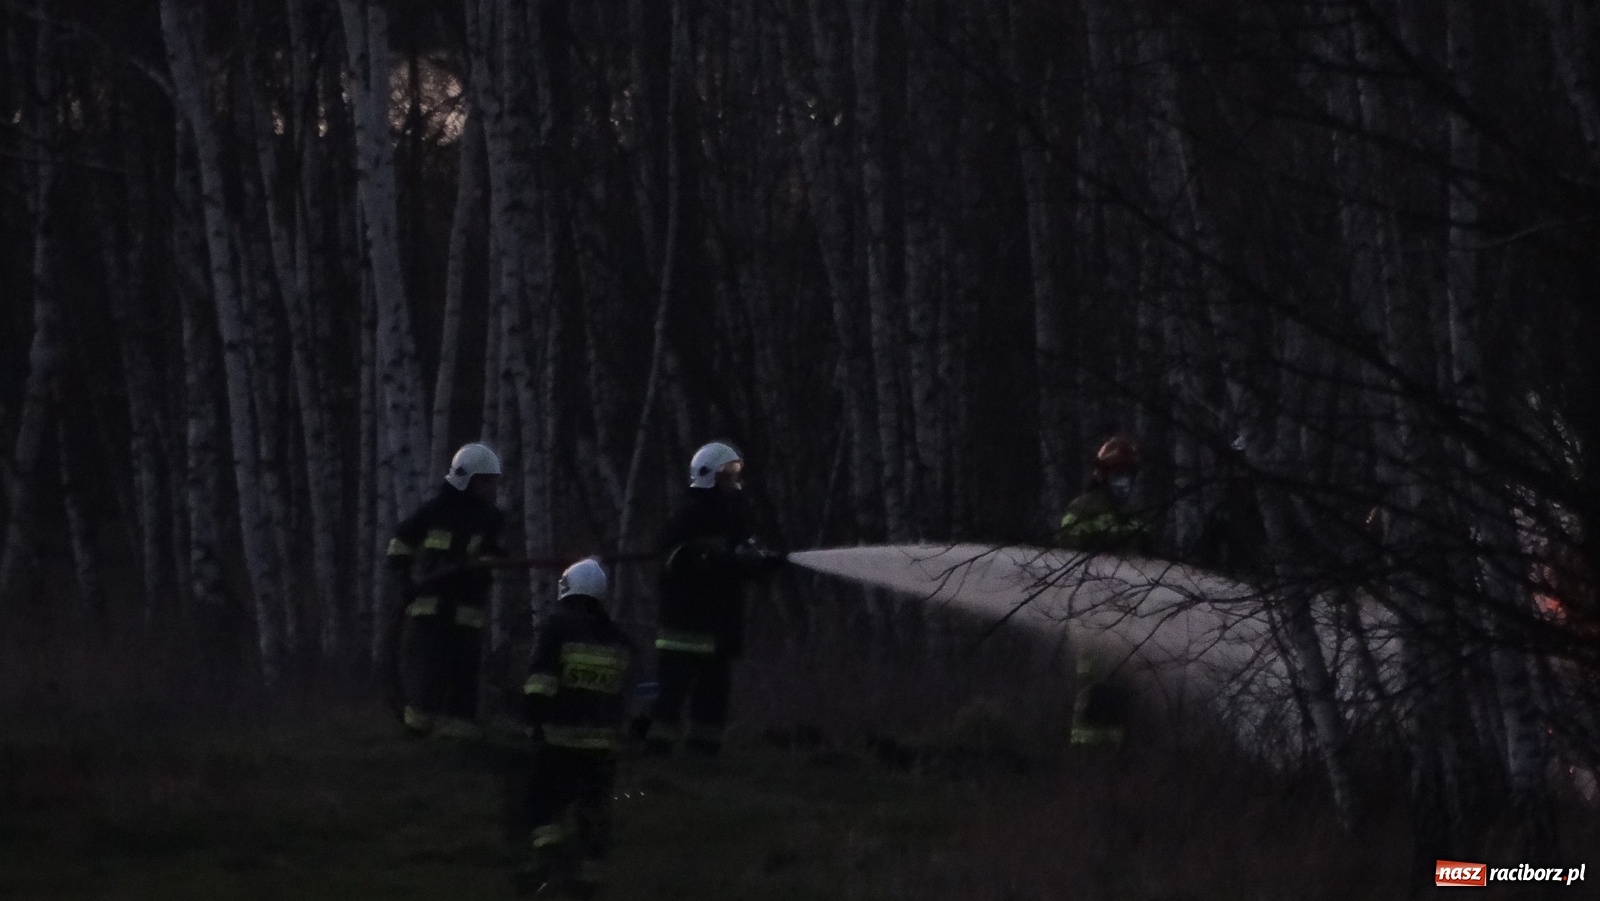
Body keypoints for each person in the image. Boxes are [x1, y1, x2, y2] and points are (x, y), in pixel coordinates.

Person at [642, 441, 784, 757]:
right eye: (727, 473)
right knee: (672, 693)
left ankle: (703, 753)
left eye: (736, 471)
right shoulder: (689, 512)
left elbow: (744, 554)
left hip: (721, 626)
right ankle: (656, 752)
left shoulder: (737, 514)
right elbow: (670, 556)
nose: (734, 479)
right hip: (685, 625)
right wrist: (709, 558)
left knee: (714, 695)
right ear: (708, 475)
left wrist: (762, 563)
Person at [513, 559, 634, 899]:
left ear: (567, 589)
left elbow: (539, 684)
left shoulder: (557, 630)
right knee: (593, 812)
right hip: (602, 748)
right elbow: (627, 694)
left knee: (541, 804)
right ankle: (590, 882)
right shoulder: (619, 640)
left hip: (559, 742)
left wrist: (532, 722)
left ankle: (549, 862)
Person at [386, 442, 508, 740]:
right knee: (427, 671)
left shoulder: (491, 518)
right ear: (465, 478)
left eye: (492, 482)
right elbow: (399, 545)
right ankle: (417, 731)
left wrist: (482, 564)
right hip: (430, 608)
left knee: (464, 674)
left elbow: (498, 554)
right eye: (484, 481)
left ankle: (460, 735)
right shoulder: (433, 512)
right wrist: (405, 580)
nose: (490, 488)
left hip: (468, 609)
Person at [1057, 434, 1151, 554]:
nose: (1123, 482)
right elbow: (1068, 552)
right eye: (1117, 473)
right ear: (1103, 476)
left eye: (1128, 474)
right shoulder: (1082, 509)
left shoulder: (1137, 514)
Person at [1191, 435, 1266, 578]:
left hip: (1249, 508)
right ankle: (1220, 562)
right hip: (1235, 506)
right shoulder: (1233, 476)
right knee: (1221, 521)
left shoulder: (1252, 469)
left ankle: (1245, 566)